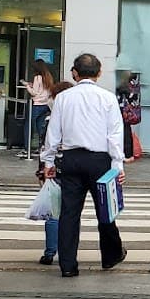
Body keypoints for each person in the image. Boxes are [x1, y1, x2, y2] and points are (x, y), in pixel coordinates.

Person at [41, 52, 126, 278]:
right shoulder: (108, 98)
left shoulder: (63, 98)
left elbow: (53, 133)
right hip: (100, 160)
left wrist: (48, 161)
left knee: (69, 213)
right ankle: (110, 256)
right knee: (105, 211)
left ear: (74, 73)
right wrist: (118, 166)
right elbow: (115, 135)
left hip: (70, 160)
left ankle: (68, 265)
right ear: (99, 73)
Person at [36, 81, 72, 265]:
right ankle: (68, 252)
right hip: (73, 168)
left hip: (53, 170)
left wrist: (42, 170)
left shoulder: (50, 120)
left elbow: (44, 147)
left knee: (53, 213)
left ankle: (50, 252)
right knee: (71, 212)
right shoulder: (77, 119)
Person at [22, 59, 55, 144]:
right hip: (45, 105)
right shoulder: (48, 77)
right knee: (40, 127)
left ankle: (27, 148)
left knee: (28, 126)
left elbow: (34, 92)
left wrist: (27, 86)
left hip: (37, 104)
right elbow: (43, 90)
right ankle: (42, 146)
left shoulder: (37, 77)